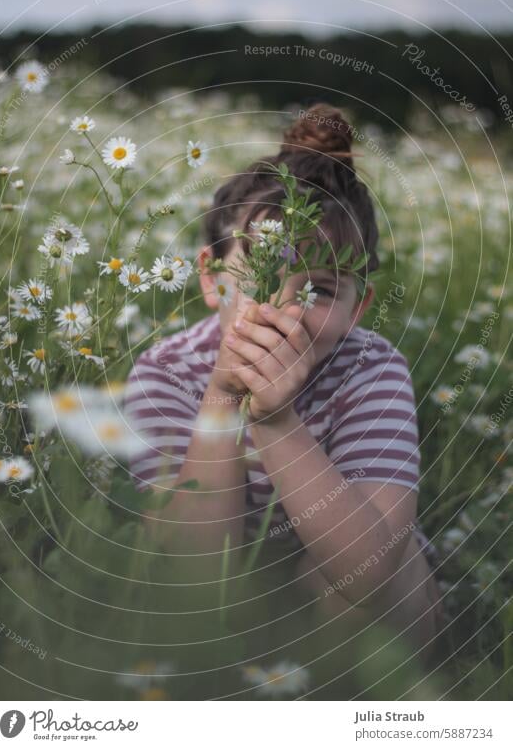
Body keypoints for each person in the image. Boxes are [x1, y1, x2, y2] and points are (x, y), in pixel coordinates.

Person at [123, 102, 444, 664]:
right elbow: (194, 566)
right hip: (228, 579)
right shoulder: (166, 372)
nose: (283, 312)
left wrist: (276, 421)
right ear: (210, 277)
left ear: (358, 306)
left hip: (353, 578)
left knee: (380, 581)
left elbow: (365, 569)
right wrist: (223, 400)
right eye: (259, 279)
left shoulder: (371, 369)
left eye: (319, 289)